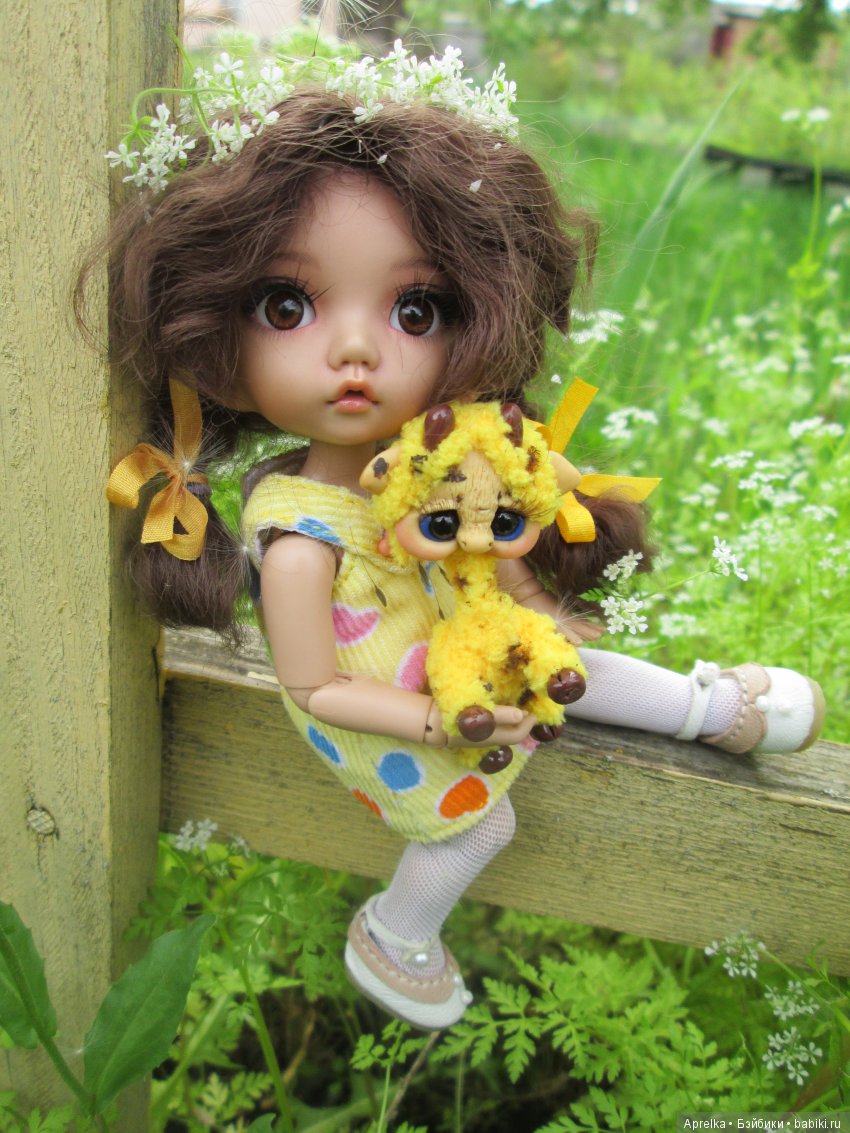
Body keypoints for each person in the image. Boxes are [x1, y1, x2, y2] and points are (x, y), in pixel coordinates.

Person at [96, 41, 824, 1030]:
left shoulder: (438, 462)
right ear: (216, 332)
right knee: (482, 827)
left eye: (415, 308)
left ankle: (712, 704)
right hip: (396, 717)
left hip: (462, 646)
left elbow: (488, 552)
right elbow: (313, 688)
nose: (356, 349)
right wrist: (437, 723)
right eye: (288, 305)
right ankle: (395, 932)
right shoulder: (301, 539)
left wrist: (533, 606)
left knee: (570, 663)